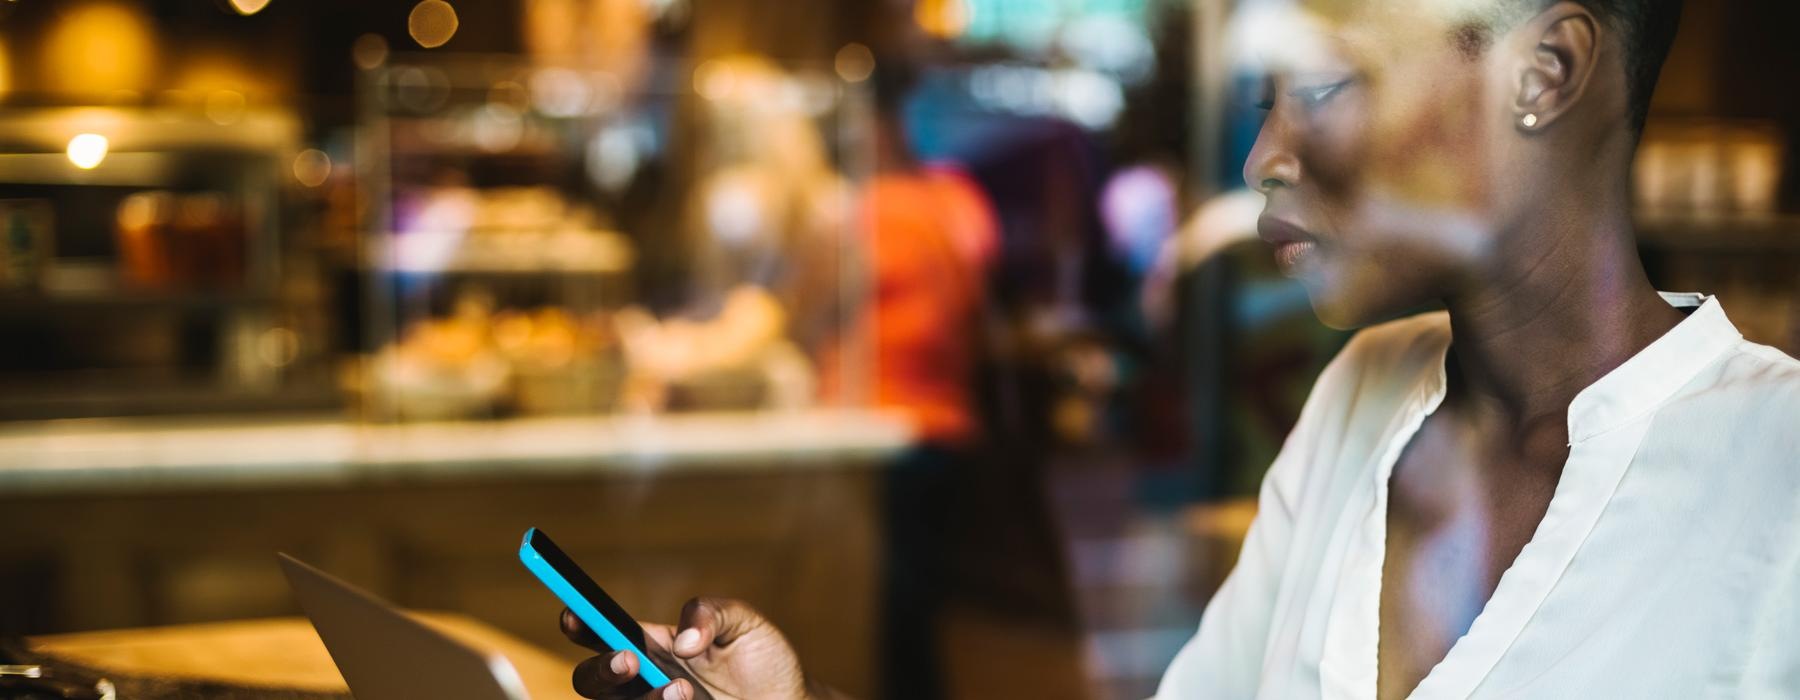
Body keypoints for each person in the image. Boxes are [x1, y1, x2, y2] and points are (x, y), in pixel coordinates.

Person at [558, 0, 1800, 698]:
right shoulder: (1361, 402)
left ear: (1547, 68)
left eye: (1322, 86)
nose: (1263, 156)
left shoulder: (1776, 481)